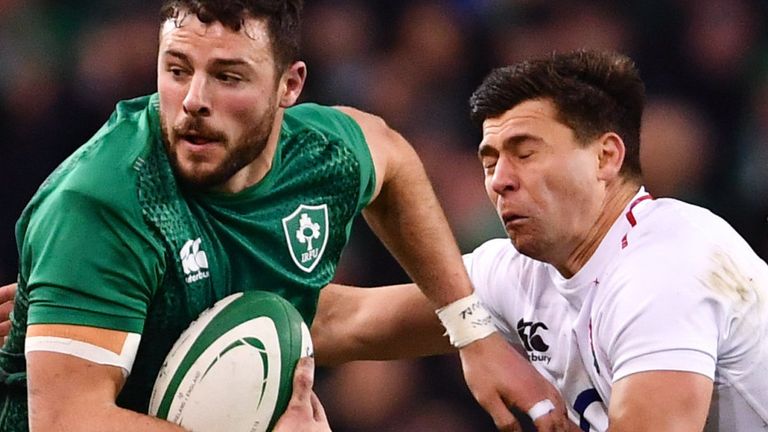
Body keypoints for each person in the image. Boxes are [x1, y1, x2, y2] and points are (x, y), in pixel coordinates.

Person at [0, 1, 572, 431]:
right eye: (176, 69)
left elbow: (390, 155)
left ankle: (562, 302)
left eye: (228, 77)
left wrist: (474, 331)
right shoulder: (103, 203)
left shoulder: (318, 154)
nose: (195, 99)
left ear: (289, 85)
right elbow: (67, 422)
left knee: (317, 317)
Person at [310, 50, 768, 431]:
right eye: (489, 162)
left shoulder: (667, 266)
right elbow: (344, 322)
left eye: (525, 153)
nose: (501, 181)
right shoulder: (518, 271)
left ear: (606, 156)